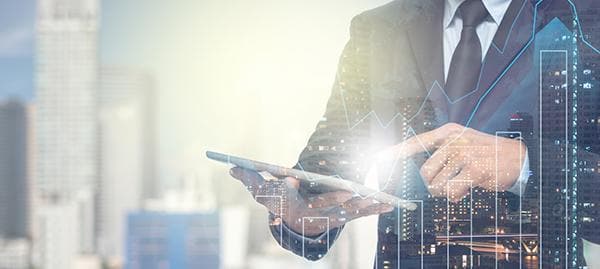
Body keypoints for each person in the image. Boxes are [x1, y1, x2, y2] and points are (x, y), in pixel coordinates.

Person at [229, 0, 600, 267]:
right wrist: (302, 221)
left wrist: (524, 164)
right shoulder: (375, 32)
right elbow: (324, 171)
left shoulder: (588, 22)